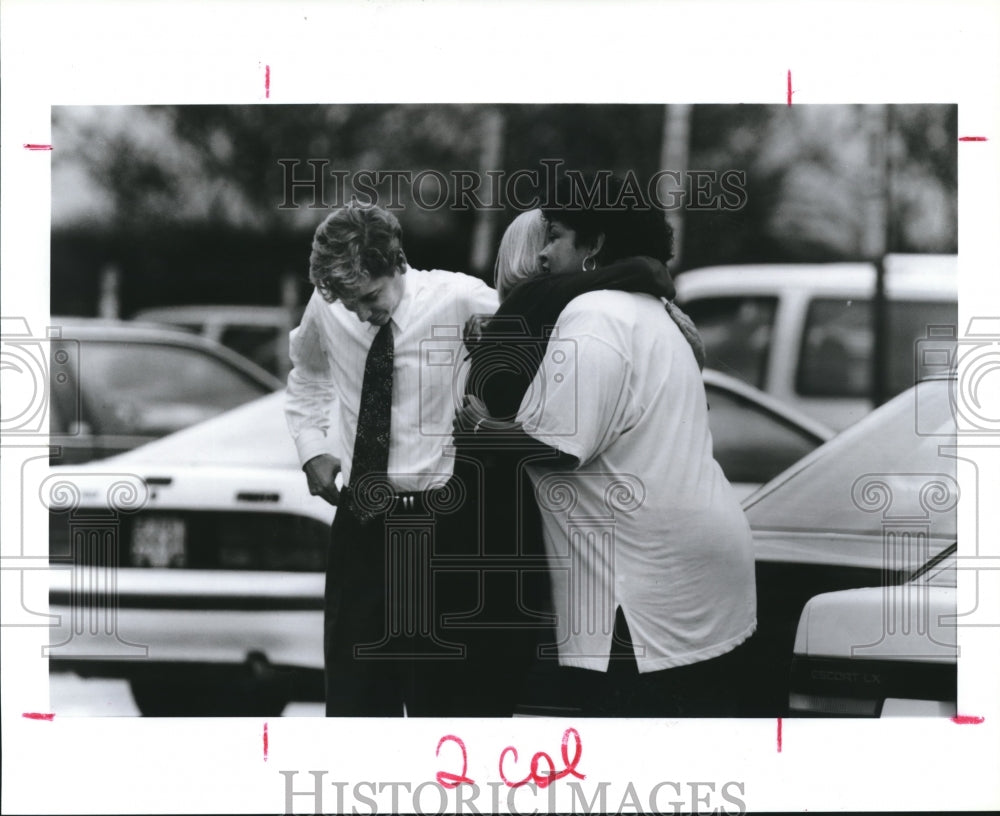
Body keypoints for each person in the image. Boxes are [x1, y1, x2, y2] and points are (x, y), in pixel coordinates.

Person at [457, 177, 756, 716]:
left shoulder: (595, 314)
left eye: (556, 236)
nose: (543, 254)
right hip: (699, 562)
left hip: (643, 579)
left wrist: (480, 428)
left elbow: (558, 443)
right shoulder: (654, 310)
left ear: (594, 244)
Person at [284, 201, 498, 716]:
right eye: (349, 302)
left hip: (440, 526)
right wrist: (312, 447)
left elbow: (555, 328)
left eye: (370, 297)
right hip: (362, 526)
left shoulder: (460, 299)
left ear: (397, 263)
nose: (360, 313)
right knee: (355, 702)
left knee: (441, 704)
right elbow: (307, 375)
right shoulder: (327, 307)